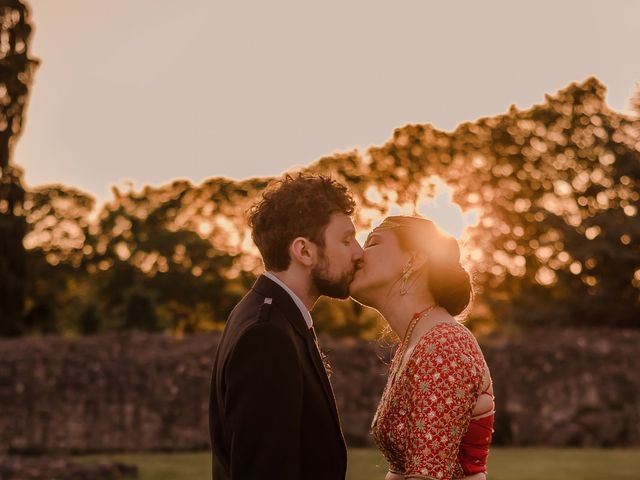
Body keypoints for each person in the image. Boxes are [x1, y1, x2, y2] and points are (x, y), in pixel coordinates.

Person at [209, 173, 363, 480]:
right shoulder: (266, 337)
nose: (358, 252)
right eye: (346, 240)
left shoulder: (266, 315)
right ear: (304, 251)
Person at [349, 215, 495, 480]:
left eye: (373, 242)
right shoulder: (418, 340)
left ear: (413, 260)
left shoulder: (444, 344)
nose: (358, 254)